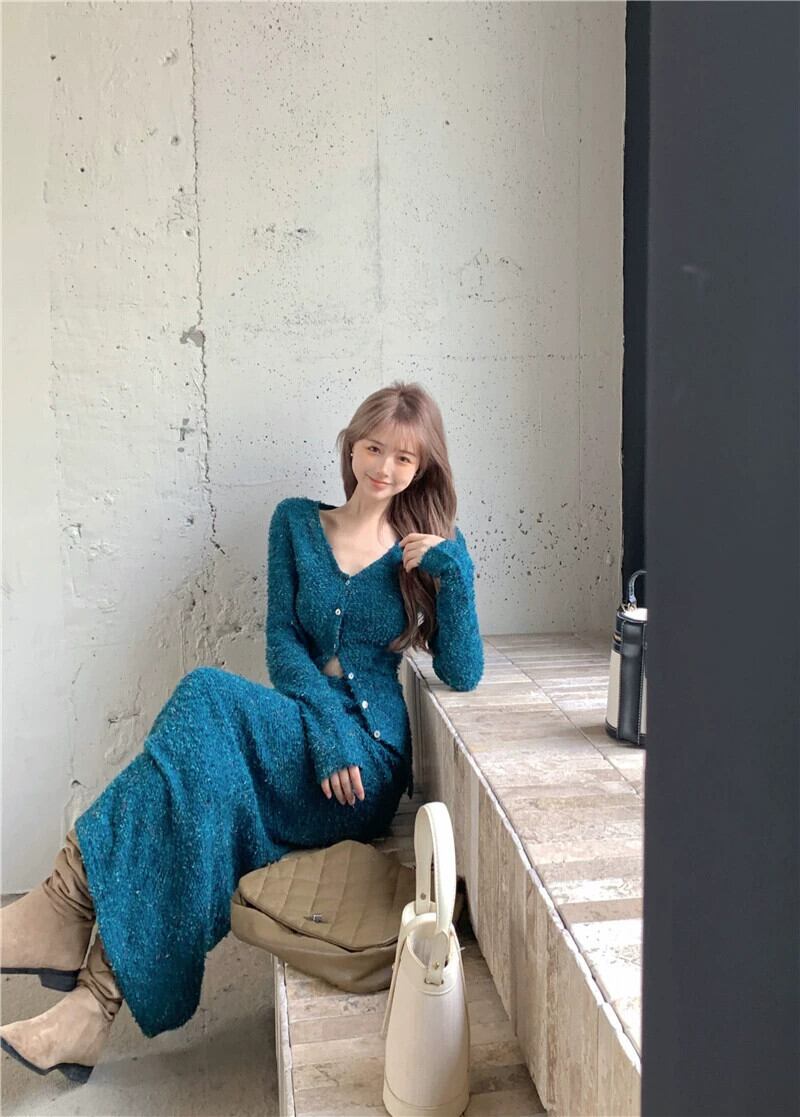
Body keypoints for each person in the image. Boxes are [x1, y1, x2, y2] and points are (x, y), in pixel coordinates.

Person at [0, 380, 484, 1084]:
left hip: (367, 766)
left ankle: (64, 904)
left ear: (423, 468)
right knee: (204, 783)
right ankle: (89, 1007)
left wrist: (454, 572)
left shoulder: (428, 550)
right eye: (374, 448)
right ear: (352, 446)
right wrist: (324, 730)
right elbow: (283, 642)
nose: (384, 467)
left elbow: (463, 672)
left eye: (404, 458)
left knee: (206, 696)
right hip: (307, 739)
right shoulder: (297, 522)